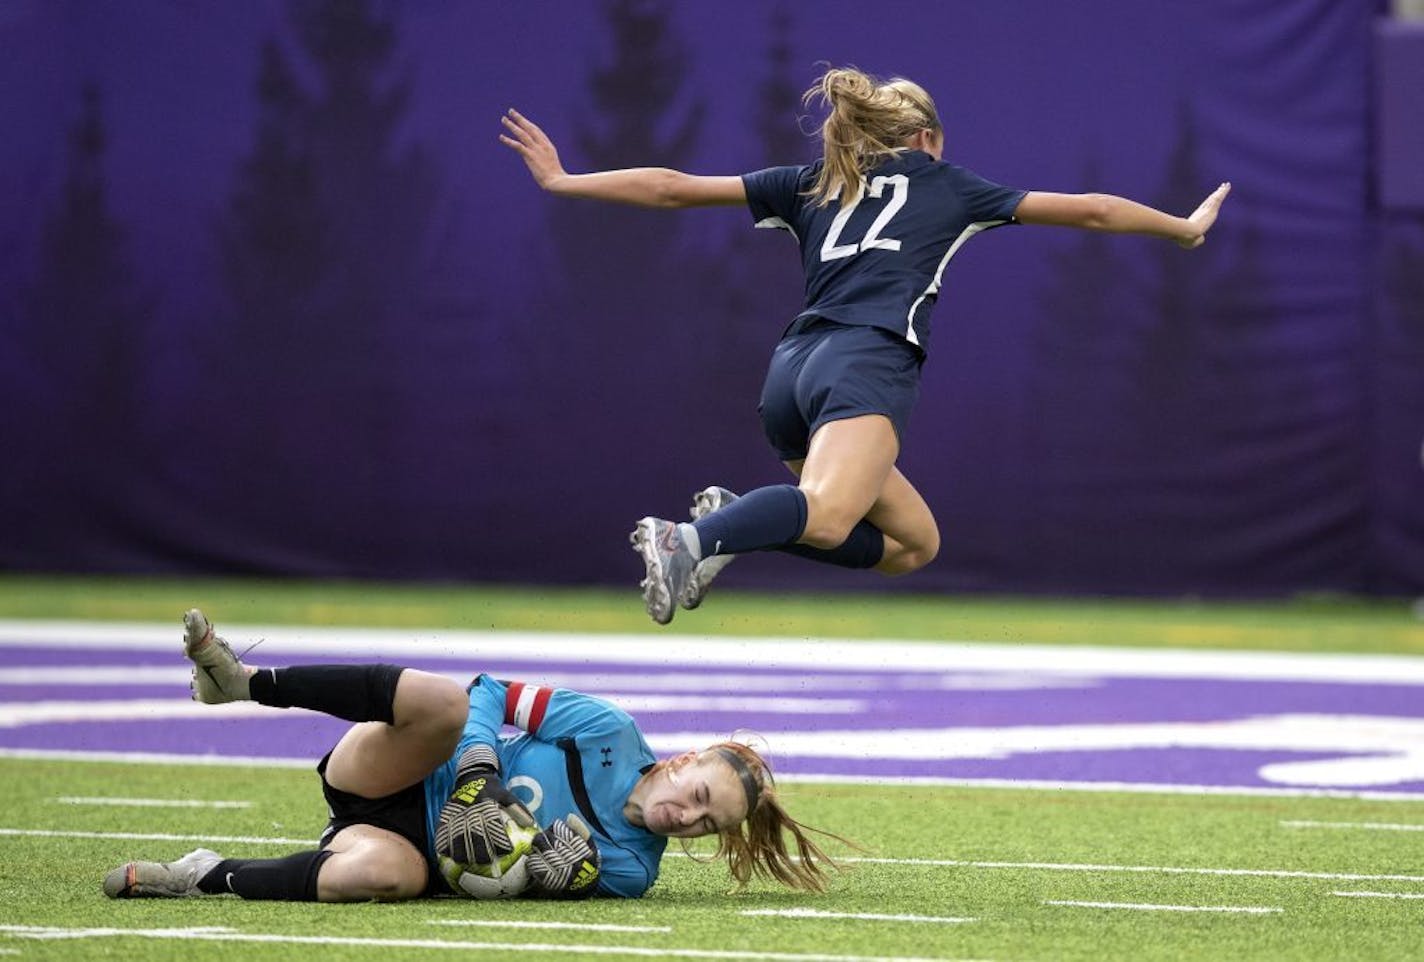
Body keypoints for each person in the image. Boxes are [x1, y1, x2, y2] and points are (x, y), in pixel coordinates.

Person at [498, 66, 1232, 625]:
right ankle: (690, 537)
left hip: (791, 375)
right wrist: (1185, 227)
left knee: (912, 545)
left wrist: (565, 181)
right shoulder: (948, 185)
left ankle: (730, 522)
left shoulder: (812, 181)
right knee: (822, 513)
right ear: (928, 140)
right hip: (867, 361)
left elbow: (669, 187)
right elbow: (1098, 211)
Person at [103, 610, 837, 901]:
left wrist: (540, 873)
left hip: (405, 846)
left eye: (707, 827)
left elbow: (490, 880)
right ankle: (245, 683)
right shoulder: (609, 728)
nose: (690, 820)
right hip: (403, 767)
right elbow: (488, 689)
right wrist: (480, 773)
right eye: (702, 798)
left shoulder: (631, 870)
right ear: (683, 761)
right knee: (447, 706)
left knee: (388, 877)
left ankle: (203, 875)